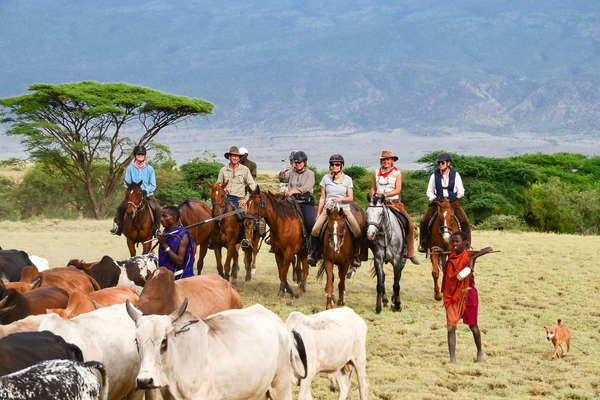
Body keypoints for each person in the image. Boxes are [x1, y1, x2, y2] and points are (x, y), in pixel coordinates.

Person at [435, 231, 492, 363]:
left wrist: (473, 257)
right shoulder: (451, 257)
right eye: (453, 241)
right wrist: (442, 252)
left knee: (473, 326)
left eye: (457, 241)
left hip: (468, 294)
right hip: (452, 297)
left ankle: (480, 353)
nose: (454, 244)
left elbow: (489, 248)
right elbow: (447, 272)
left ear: (465, 243)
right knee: (450, 328)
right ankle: (452, 359)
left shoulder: (469, 256)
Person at [308, 154, 364, 267]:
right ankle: (314, 254)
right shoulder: (325, 178)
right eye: (332, 164)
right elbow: (323, 197)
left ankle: (356, 256)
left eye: (337, 164)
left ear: (341, 166)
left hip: (344, 209)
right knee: (315, 230)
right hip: (328, 209)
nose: (334, 166)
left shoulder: (348, 179)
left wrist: (340, 199)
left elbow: (350, 198)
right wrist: (318, 213)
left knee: (357, 230)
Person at [370, 150, 420, 265]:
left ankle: (410, 253)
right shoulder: (376, 172)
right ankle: (361, 253)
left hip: (393, 203)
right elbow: (373, 187)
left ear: (392, 160)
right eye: (383, 159)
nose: (385, 161)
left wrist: (386, 195)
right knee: (366, 223)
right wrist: (373, 193)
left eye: (388, 159)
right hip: (378, 204)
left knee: (410, 225)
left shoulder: (397, 173)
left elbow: (398, 189)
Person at [418, 152, 471, 253]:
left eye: (442, 162)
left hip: (452, 202)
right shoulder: (434, 175)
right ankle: (423, 244)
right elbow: (429, 191)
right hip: (438, 203)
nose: (440, 164)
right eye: (439, 163)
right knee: (424, 221)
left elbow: (461, 191)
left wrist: (455, 198)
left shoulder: (456, 175)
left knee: (465, 221)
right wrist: (435, 199)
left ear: (448, 163)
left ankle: (467, 244)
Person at [110, 145, 161, 237]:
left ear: (144, 156)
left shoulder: (150, 169)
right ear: (135, 156)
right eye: (138, 154)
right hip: (133, 196)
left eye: (142, 154)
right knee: (121, 207)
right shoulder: (130, 168)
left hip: (147, 195)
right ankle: (119, 227)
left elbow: (153, 185)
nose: (140, 156)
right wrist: (133, 188)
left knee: (157, 208)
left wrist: (145, 190)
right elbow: (126, 183)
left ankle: (156, 229)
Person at [157, 206, 195, 280]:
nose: (161, 219)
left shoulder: (183, 236)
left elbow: (179, 261)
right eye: (161, 216)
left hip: (179, 277)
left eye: (165, 216)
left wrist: (164, 245)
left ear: (174, 218)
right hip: (164, 276)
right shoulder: (166, 232)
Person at [284, 150, 316, 236]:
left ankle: (311, 243)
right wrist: (283, 172)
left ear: (305, 162)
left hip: (305, 202)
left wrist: (294, 191)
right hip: (291, 201)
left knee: (310, 223)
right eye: (296, 162)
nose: (298, 164)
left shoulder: (310, 174)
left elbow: (307, 187)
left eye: (300, 162)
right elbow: (282, 178)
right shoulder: (291, 172)